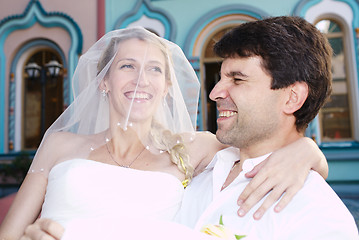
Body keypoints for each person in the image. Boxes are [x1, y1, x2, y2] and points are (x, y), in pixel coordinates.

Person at [0, 27, 328, 240]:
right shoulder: (59, 144)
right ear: (104, 80)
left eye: (155, 69)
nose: (142, 79)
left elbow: (262, 145)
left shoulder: (194, 147)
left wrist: (308, 150)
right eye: (127, 66)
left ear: (167, 85)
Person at [178, 16, 359, 239]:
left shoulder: (318, 215)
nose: (214, 93)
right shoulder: (196, 165)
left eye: (237, 79)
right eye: (221, 77)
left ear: (292, 98)